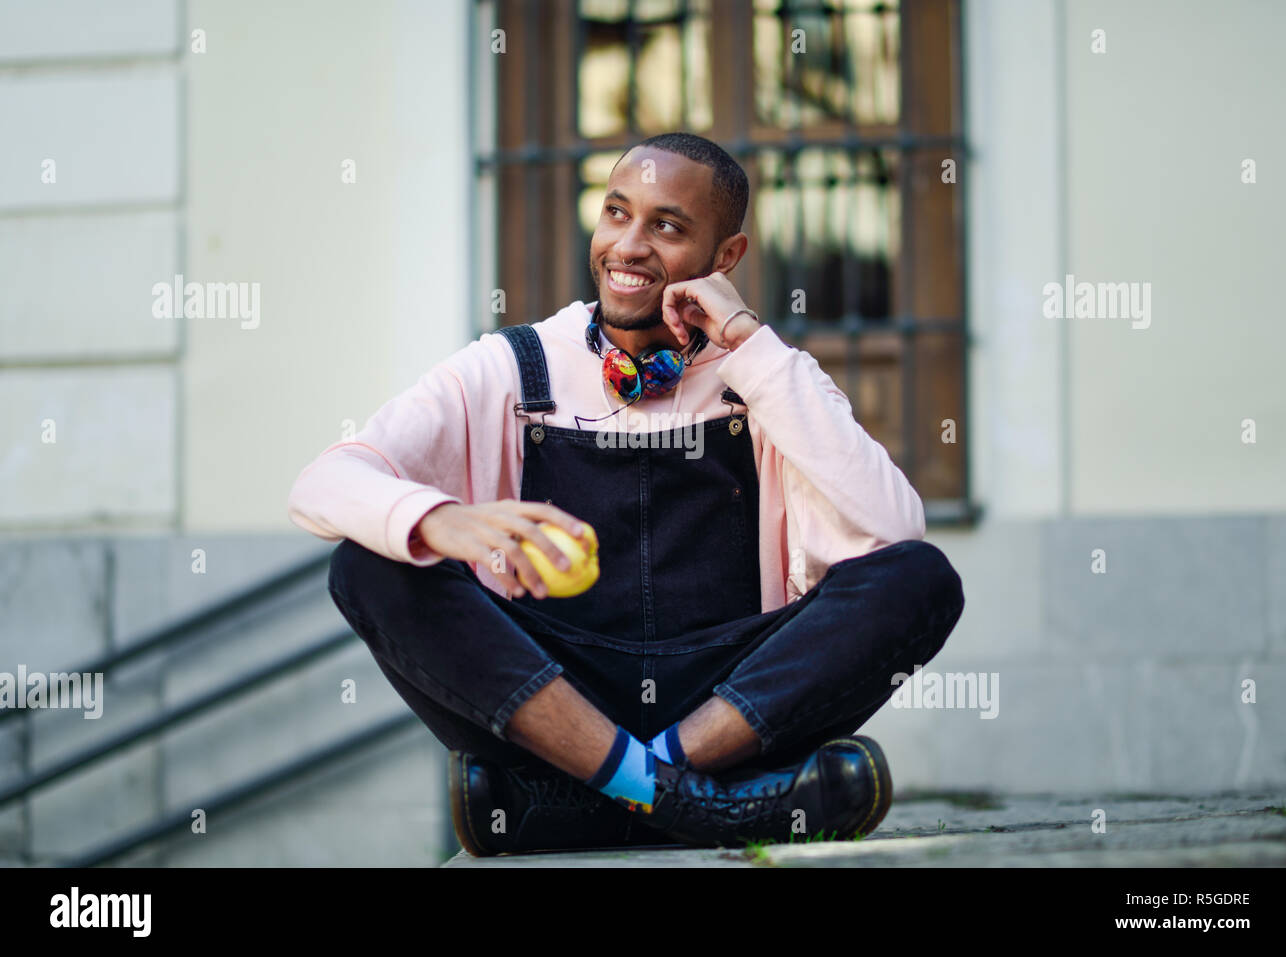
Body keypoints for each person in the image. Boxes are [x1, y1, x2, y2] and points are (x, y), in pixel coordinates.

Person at [288, 131, 965, 857]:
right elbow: (322, 483)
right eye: (616, 213)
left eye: (667, 226)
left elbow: (896, 528)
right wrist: (440, 519)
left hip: (726, 697)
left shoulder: (767, 375)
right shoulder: (515, 365)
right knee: (368, 565)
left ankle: (598, 795)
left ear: (726, 259)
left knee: (921, 579)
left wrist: (747, 340)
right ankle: (696, 800)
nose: (628, 245)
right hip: (559, 693)